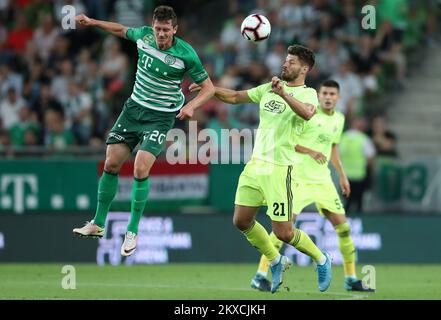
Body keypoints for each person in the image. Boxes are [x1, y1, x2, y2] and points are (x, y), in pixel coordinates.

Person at [72, 6, 215, 257]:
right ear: (152, 27)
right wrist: (93, 22)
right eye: (158, 29)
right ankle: (97, 223)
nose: (161, 35)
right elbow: (120, 29)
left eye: (166, 30)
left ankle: (132, 230)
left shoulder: (186, 54)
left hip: (160, 118)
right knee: (111, 163)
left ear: (175, 30)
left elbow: (209, 88)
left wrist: (191, 106)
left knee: (140, 167)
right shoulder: (144, 36)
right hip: (133, 110)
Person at [190, 45, 331, 294]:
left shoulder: (308, 94)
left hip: (280, 169)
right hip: (255, 165)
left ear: (304, 68)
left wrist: (285, 94)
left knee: (284, 232)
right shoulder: (268, 87)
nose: (285, 64)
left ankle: (321, 259)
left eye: (291, 62)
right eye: (285, 60)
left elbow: (308, 114)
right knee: (241, 221)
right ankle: (276, 262)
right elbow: (234, 97)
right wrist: (209, 90)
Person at [249, 80, 374, 292]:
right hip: (297, 177)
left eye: (332, 94)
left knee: (343, 227)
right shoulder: (308, 114)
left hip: (323, 180)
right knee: (284, 228)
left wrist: (342, 176)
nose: (327, 97)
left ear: (338, 98)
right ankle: (261, 274)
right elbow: (289, 141)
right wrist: (309, 151)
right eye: (324, 93)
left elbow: (332, 148)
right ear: (319, 95)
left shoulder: (339, 119)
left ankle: (351, 278)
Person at [339, 117, 376, 213]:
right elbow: (370, 159)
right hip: (360, 176)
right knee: (359, 204)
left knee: (346, 203)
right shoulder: (363, 139)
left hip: (345, 176)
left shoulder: (343, 138)